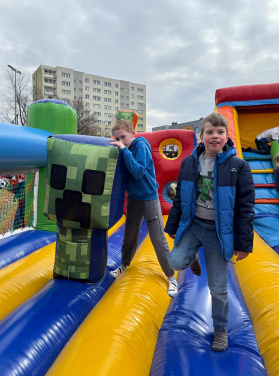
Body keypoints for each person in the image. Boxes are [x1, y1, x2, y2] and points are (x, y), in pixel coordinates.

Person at [164, 112, 255, 351]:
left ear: (227, 136)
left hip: (218, 232)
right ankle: (192, 254)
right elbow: (180, 198)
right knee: (174, 261)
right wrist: (173, 226)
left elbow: (245, 207)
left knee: (218, 287)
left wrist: (243, 243)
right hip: (194, 225)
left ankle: (220, 329)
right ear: (201, 136)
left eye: (220, 132)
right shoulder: (189, 163)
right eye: (210, 132)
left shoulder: (238, 166)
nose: (215, 136)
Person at [108, 119, 179, 297]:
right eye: (117, 138)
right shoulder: (123, 149)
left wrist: (124, 150)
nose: (120, 141)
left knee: (158, 239)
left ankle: (171, 277)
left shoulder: (140, 146)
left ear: (133, 133)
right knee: (129, 236)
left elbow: (138, 171)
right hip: (134, 199)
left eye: (123, 137)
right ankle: (124, 265)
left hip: (149, 198)